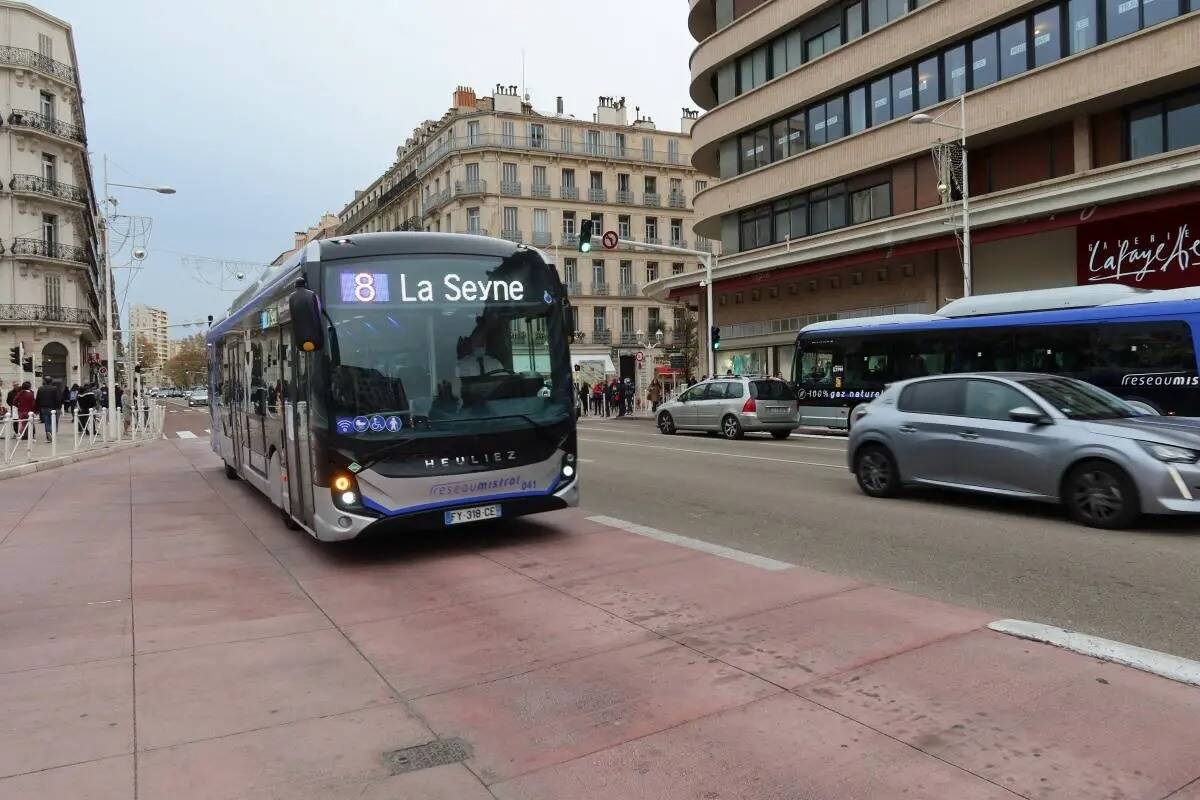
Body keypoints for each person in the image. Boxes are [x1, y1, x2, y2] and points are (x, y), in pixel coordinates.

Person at [34, 376, 60, 442]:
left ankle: (48, 435)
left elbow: (37, 399)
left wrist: (36, 409)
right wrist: (58, 407)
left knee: (46, 422)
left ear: (44, 381)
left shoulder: (40, 388)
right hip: (52, 408)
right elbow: (57, 399)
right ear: (51, 381)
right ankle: (52, 434)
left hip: (43, 408)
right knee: (53, 422)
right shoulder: (54, 388)